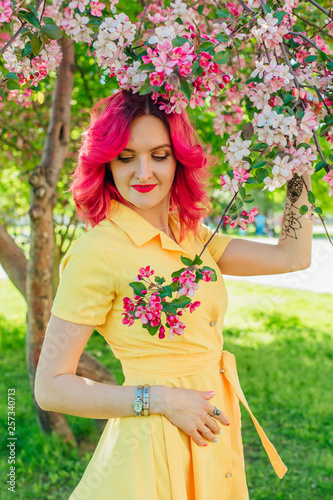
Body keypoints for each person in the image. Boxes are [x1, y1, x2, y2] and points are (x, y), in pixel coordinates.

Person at [34, 89, 313, 499]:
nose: (143, 172)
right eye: (126, 157)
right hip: (152, 447)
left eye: (159, 155)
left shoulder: (192, 235)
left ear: (178, 159)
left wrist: (298, 165)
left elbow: (292, 256)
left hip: (210, 431)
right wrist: (160, 398)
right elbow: (50, 387)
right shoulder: (97, 253)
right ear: (106, 162)